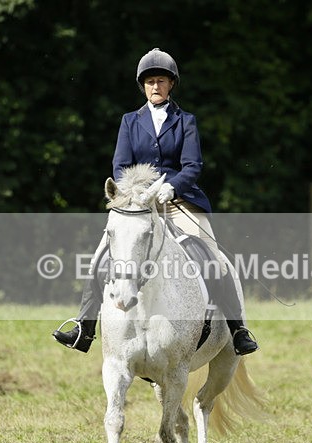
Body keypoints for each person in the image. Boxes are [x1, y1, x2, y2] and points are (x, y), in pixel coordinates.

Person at [53, 48, 258, 356]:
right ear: (143, 86)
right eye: (150, 82)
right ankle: (84, 326)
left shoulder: (186, 121)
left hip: (180, 202)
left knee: (214, 259)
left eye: (161, 81)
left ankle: (237, 328)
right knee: (99, 257)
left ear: (171, 84)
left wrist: (172, 188)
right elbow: (120, 166)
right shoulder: (129, 121)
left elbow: (193, 166)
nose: (155, 87)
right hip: (137, 204)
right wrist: (138, 194)